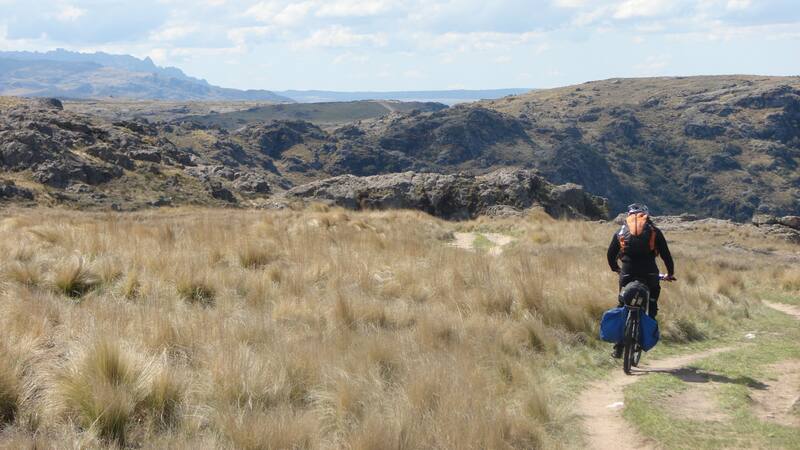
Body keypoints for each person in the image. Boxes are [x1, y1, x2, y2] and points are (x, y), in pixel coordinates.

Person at [606, 203, 675, 358]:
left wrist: (616, 269)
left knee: (623, 303)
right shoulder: (654, 231)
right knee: (651, 301)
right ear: (646, 216)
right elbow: (666, 255)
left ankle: (618, 347)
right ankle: (646, 337)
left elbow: (610, 255)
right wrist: (670, 273)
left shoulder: (621, 231)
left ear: (628, 216)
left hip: (627, 272)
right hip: (649, 272)